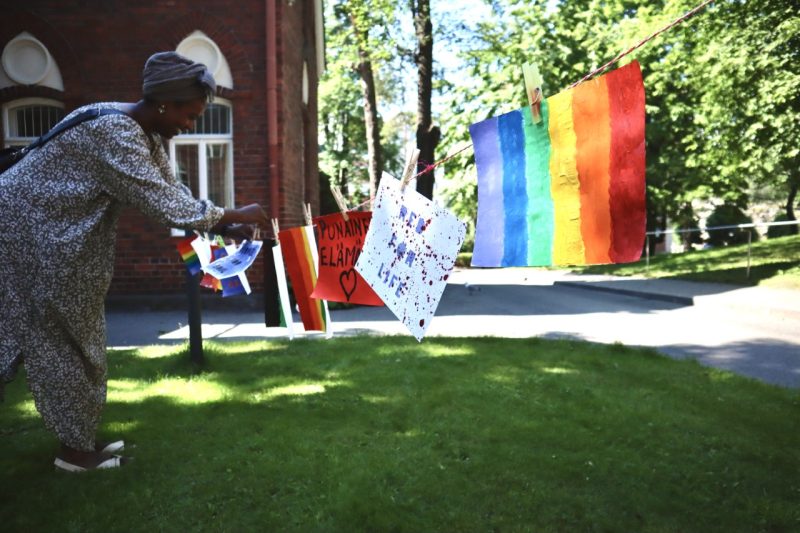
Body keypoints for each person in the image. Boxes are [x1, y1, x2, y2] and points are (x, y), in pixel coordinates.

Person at [0, 51, 269, 472]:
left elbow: (171, 192)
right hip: (29, 241)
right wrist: (238, 214)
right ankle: (74, 455)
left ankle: (78, 439)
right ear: (165, 102)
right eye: (189, 114)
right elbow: (163, 204)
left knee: (74, 340)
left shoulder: (139, 131)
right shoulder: (115, 133)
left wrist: (225, 228)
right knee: (63, 342)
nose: (190, 125)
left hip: (52, 242)